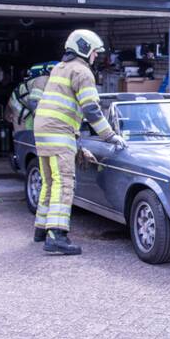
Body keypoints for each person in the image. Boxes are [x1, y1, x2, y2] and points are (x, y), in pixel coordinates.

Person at [33, 29, 125, 255]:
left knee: (49, 182)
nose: (96, 57)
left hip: (43, 132)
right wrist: (110, 136)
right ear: (84, 50)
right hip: (59, 133)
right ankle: (57, 236)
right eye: (95, 52)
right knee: (64, 183)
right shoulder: (82, 72)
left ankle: (41, 229)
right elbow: (91, 109)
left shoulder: (60, 68)